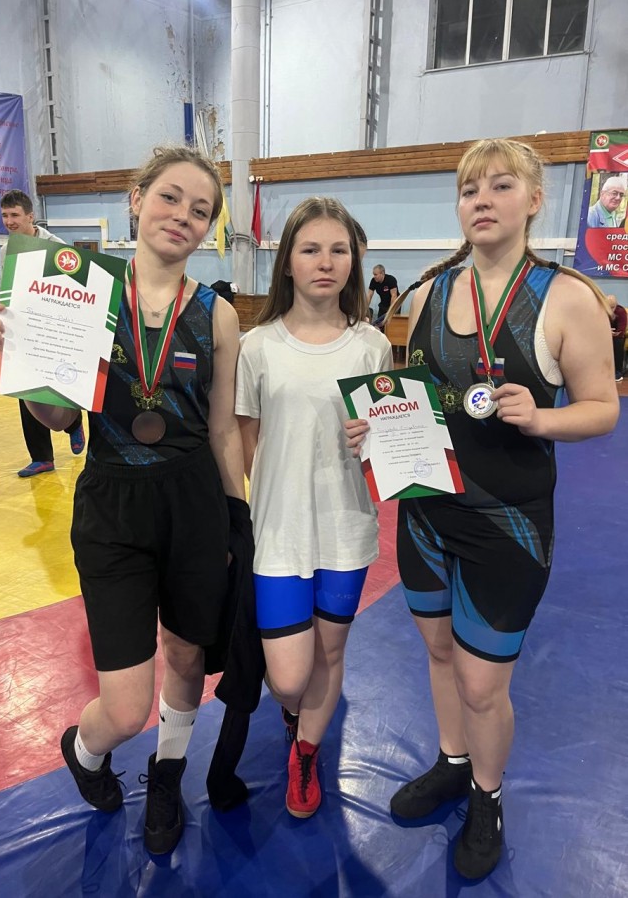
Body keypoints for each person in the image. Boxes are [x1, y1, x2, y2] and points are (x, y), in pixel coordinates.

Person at [348, 138, 619, 879]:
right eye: (470, 189)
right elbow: (418, 401)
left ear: (534, 200)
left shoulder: (567, 297)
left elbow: (601, 407)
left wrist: (542, 417)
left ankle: (487, 795)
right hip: (427, 515)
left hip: (509, 525)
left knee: (481, 682)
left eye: (501, 186)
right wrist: (376, 427)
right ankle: (452, 760)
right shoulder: (430, 293)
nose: (482, 200)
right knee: (438, 653)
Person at [0, 146, 246, 855]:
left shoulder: (217, 315)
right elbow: (60, 417)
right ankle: (84, 749)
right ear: (136, 199)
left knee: (187, 658)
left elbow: (223, 429)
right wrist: (19, 361)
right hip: (112, 505)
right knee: (126, 708)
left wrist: (236, 517)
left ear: (209, 227)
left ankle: (168, 774)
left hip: (193, 502)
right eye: (169, 197)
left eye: (200, 210)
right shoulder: (84, 292)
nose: (182, 216)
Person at [236, 197, 393, 819]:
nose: (325, 262)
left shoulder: (371, 345)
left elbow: (391, 438)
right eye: (310, 249)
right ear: (288, 262)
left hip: (345, 529)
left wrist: (377, 439)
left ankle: (305, 752)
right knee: (288, 678)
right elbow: (246, 443)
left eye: (338, 250)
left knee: (330, 653)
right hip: (278, 533)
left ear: (353, 261)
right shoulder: (256, 346)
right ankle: (294, 712)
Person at [0, 189, 86, 476]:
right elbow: (7, 289)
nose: (9, 221)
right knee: (26, 389)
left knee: (59, 383)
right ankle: (42, 457)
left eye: (14, 215)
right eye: (4, 215)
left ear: (30, 216)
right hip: (22, 328)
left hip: (54, 327)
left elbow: (73, 290)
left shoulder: (56, 247)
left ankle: (73, 424)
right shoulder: (6, 250)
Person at [607, 294, 627, 381]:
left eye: (612, 307)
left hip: (618, 336)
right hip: (606, 334)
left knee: (618, 342)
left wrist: (613, 334)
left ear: (616, 305)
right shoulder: (602, 310)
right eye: (609, 307)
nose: (611, 310)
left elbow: (621, 329)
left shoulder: (621, 311)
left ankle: (618, 372)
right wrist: (607, 331)